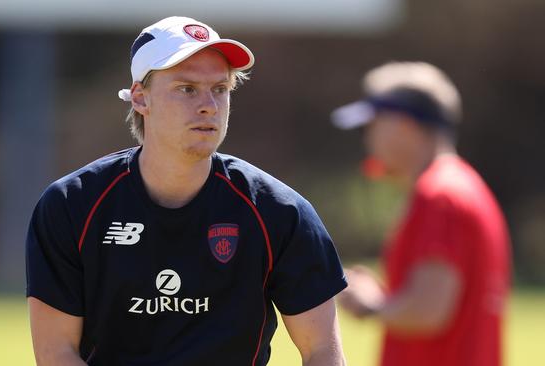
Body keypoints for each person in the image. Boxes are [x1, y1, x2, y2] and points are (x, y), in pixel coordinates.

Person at [26, 16, 347, 366]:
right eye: (187, 88)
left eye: (220, 89)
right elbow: (56, 353)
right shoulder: (71, 205)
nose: (209, 104)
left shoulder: (279, 212)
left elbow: (321, 351)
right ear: (139, 98)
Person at [331, 61, 511, 366]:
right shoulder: (461, 185)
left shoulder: (439, 195)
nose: (367, 139)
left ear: (404, 124)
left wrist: (370, 304)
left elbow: (428, 310)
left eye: (373, 124)